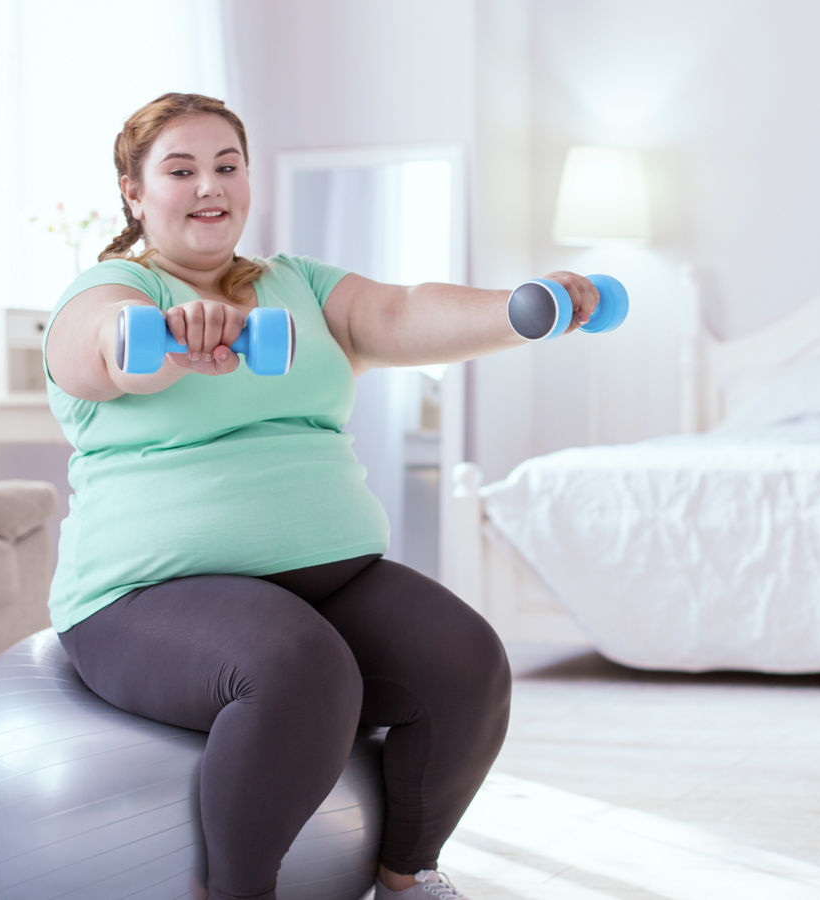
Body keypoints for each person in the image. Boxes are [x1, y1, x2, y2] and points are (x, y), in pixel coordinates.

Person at [42, 92, 603, 900]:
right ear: (134, 193)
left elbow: (400, 311)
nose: (211, 186)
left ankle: (405, 878)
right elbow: (109, 349)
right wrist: (175, 343)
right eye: (181, 169)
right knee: (301, 672)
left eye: (227, 166)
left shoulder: (295, 284)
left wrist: (529, 312)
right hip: (147, 598)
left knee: (466, 662)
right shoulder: (107, 292)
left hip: (329, 578)